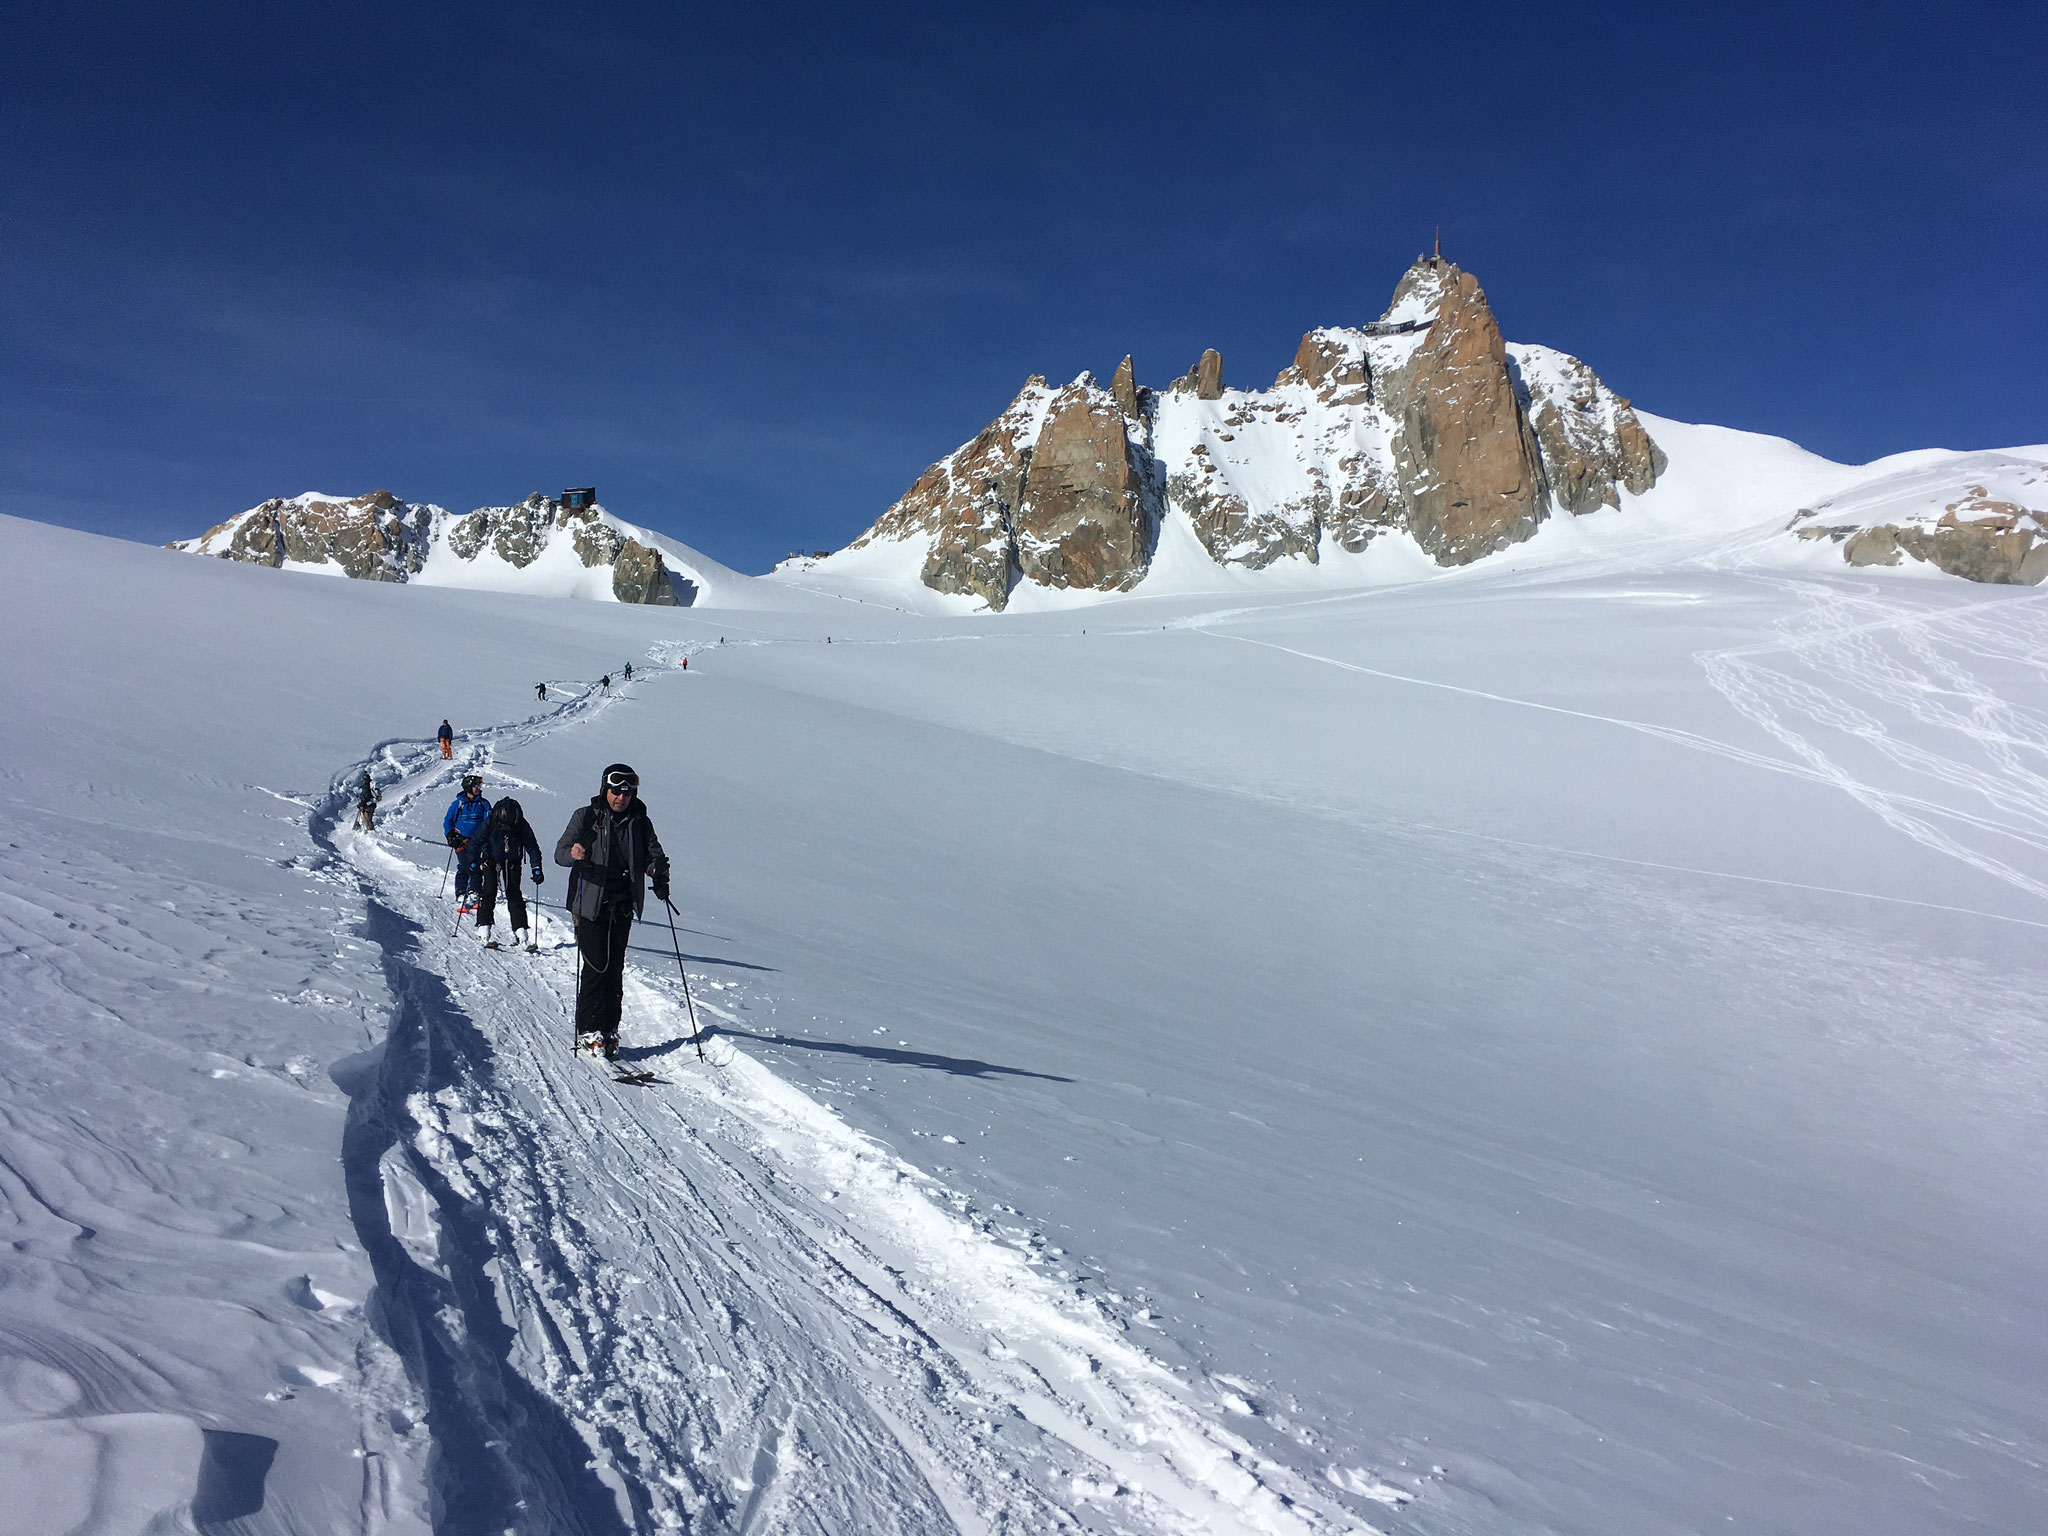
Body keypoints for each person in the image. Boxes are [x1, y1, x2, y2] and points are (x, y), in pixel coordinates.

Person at [555, 763, 669, 1060]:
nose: (621, 797)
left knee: (615, 968)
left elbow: (651, 855)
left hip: (621, 904)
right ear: (604, 789)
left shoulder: (640, 822)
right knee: (597, 966)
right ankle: (588, 1029)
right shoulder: (586, 816)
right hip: (589, 903)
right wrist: (573, 853)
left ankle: (608, 1028)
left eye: (627, 792)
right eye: (616, 791)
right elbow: (560, 852)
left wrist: (657, 869)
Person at [473, 797, 544, 945]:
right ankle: (483, 927)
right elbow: (475, 842)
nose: (505, 828)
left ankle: (521, 930)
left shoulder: (521, 825)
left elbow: (532, 847)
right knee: (489, 891)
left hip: (513, 861)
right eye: (502, 826)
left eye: (508, 826)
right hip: (490, 859)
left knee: (514, 893)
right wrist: (473, 862)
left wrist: (536, 868)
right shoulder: (491, 821)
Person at [443, 774, 492, 911]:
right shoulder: (458, 803)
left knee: (476, 865)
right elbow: (448, 820)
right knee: (465, 865)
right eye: (476, 786)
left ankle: (474, 891)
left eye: (479, 786)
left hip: (478, 841)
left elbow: (489, 821)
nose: (478, 788)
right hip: (461, 840)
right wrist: (450, 835)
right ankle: (461, 892)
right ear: (468, 787)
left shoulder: (483, 803)